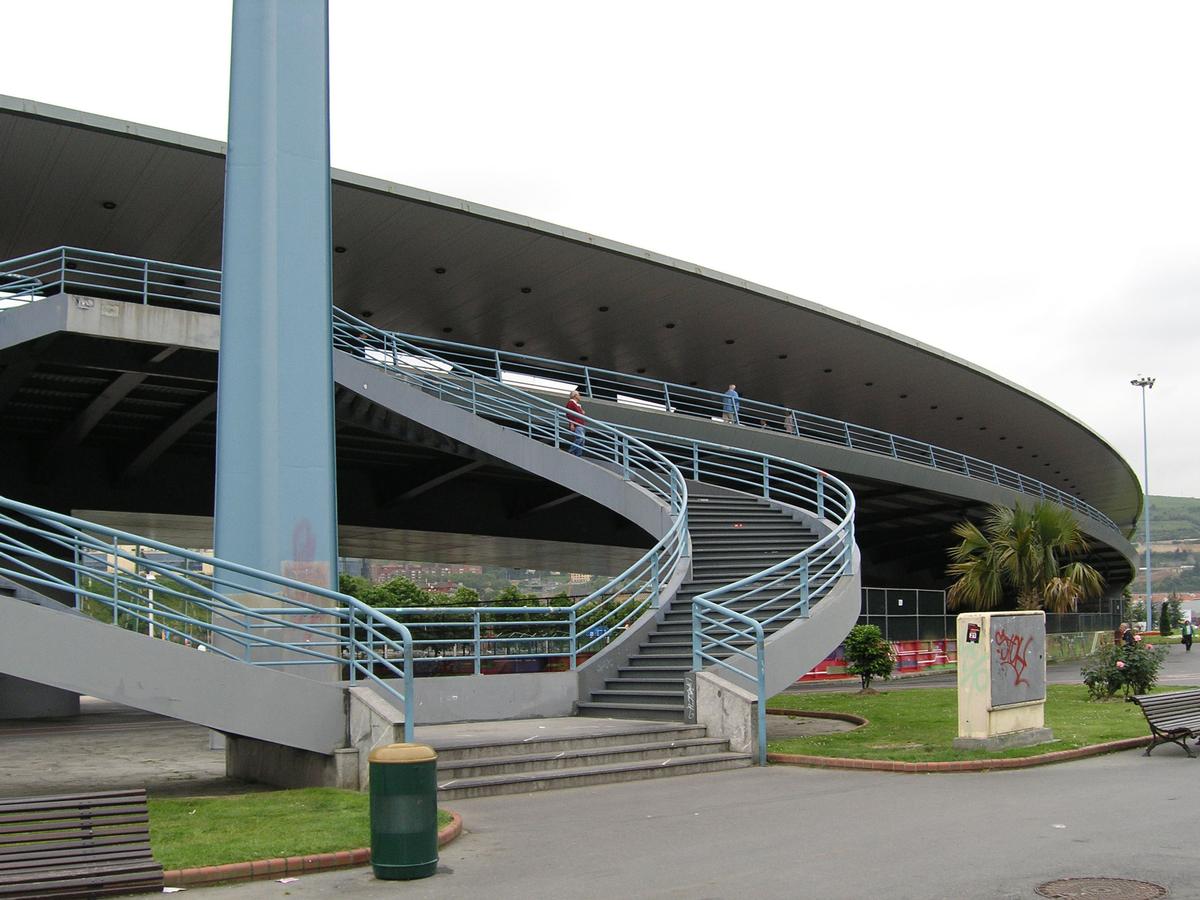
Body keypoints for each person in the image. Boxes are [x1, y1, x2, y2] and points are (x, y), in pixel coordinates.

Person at [565, 389, 586, 456]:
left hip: (580, 424)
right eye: (579, 395)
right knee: (580, 438)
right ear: (575, 396)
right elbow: (569, 414)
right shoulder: (571, 403)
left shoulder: (577, 405)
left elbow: (580, 413)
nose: (580, 396)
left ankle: (577, 455)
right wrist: (572, 424)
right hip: (577, 424)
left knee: (582, 441)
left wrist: (582, 411)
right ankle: (571, 451)